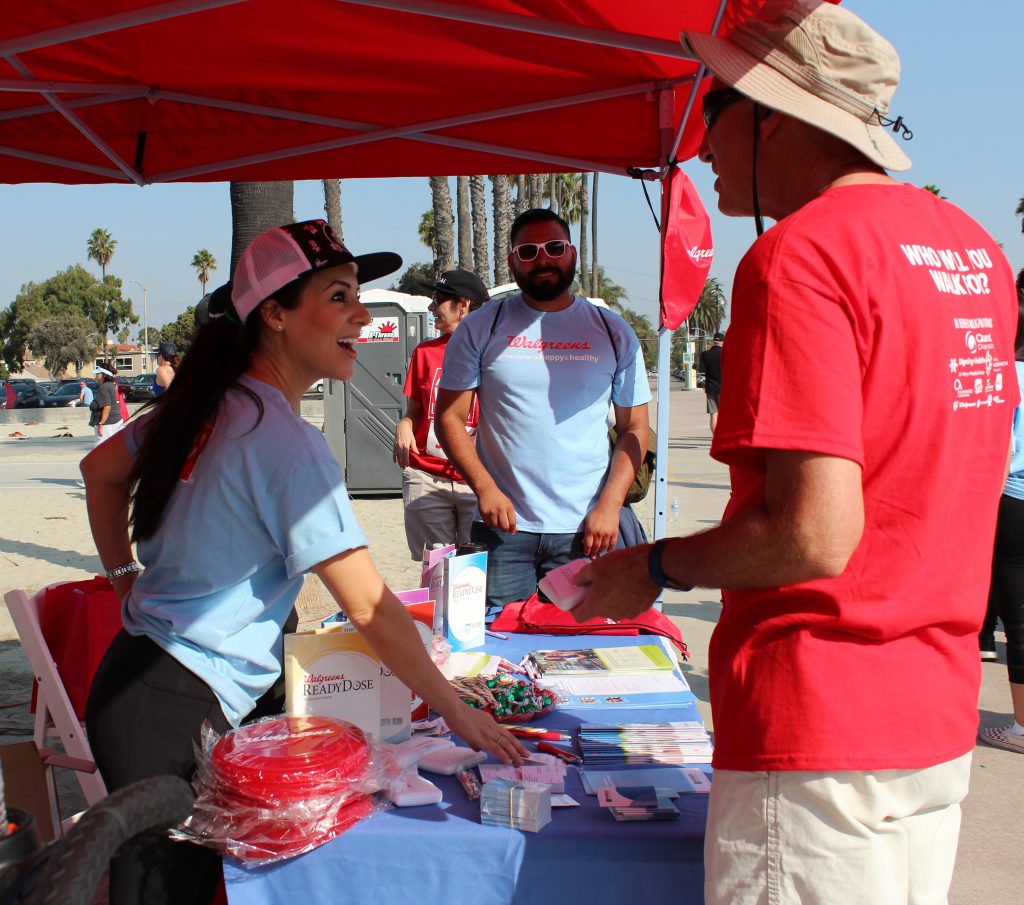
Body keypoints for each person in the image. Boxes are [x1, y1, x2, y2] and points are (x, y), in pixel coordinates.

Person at [571, 3, 1019, 904]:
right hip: (930, 713)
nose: (699, 141)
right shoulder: (973, 249)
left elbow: (813, 536)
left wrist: (655, 564)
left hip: (820, 716)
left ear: (776, 114)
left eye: (716, 109)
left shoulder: (798, 255)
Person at [81, 219, 526, 905]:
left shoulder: (213, 401)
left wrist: (124, 577)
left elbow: (99, 470)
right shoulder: (284, 440)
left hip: (145, 680)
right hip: (171, 703)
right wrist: (457, 710)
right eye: (340, 294)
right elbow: (369, 604)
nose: (362, 313)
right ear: (277, 314)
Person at [435, 208, 651, 618]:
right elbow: (448, 418)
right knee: (499, 649)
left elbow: (635, 428)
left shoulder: (611, 330)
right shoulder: (481, 326)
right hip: (503, 529)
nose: (543, 259)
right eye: (529, 251)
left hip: (587, 530)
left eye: (554, 248)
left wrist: (610, 503)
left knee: (582, 650)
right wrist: (484, 488)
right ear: (513, 261)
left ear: (571, 253)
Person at [393, 268, 489, 559]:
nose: (431, 307)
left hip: (478, 480)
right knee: (437, 573)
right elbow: (415, 411)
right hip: (426, 476)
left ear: (463, 305)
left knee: (476, 573)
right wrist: (404, 424)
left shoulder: (495, 353)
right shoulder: (424, 352)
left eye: (438, 299)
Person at [980, 282, 1024, 754]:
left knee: (1018, 616)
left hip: (1013, 499)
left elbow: (1001, 448)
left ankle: (1021, 727)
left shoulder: (1006, 373)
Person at [91, 361, 124, 446]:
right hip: (115, 421)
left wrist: (101, 424)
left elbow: (107, 406)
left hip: (107, 424)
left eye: (98, 373)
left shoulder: (105, 387)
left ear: (104, 375)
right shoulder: (112, 385)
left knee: (100, 451)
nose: (96, 376)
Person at [698, 331, 724, 433]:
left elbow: (701, 370)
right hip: (725, 388)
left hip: (710, 388)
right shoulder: (727, 353)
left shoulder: (705, 355)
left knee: (714, 414)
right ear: (723, 342)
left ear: (713, 342)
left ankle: (715, 437)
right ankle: (723, 436)